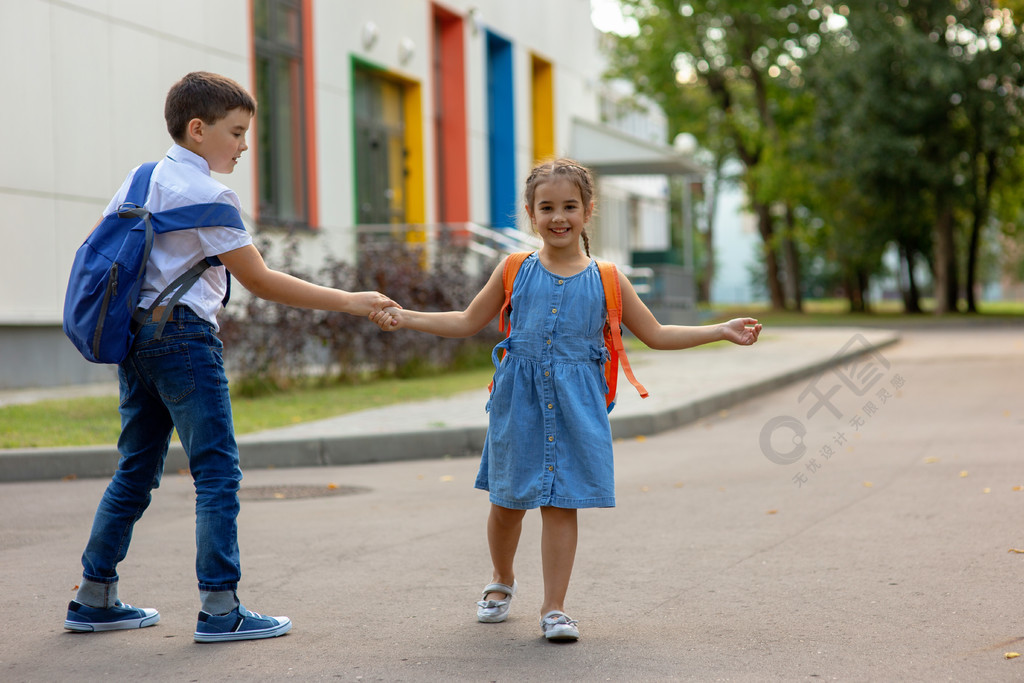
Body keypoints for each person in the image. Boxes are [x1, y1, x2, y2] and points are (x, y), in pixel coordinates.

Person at [63, 72, 398, 643]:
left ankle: (94, 595)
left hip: (135, 341)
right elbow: (261, 281)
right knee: (217, 472)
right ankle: (221, 610)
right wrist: (353, 301)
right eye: (236, 132)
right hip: (185, 341)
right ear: (198, 130)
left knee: (135, 470)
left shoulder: (141, 178)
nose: (245, 145)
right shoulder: (211, 196)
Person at [371, 158, 761, 641]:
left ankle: (554, 608)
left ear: (588, 211)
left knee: (561, 504)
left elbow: (656, 334)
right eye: (547, 207)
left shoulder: (609, 278)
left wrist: (720, 330)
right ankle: (501, 579)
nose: (559, 217)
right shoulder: (514, 269)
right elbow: (467, 321)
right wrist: (406, 317)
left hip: (577, 407)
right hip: (519, 402)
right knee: (507, 501)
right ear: (531, 213)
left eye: (570, 206)